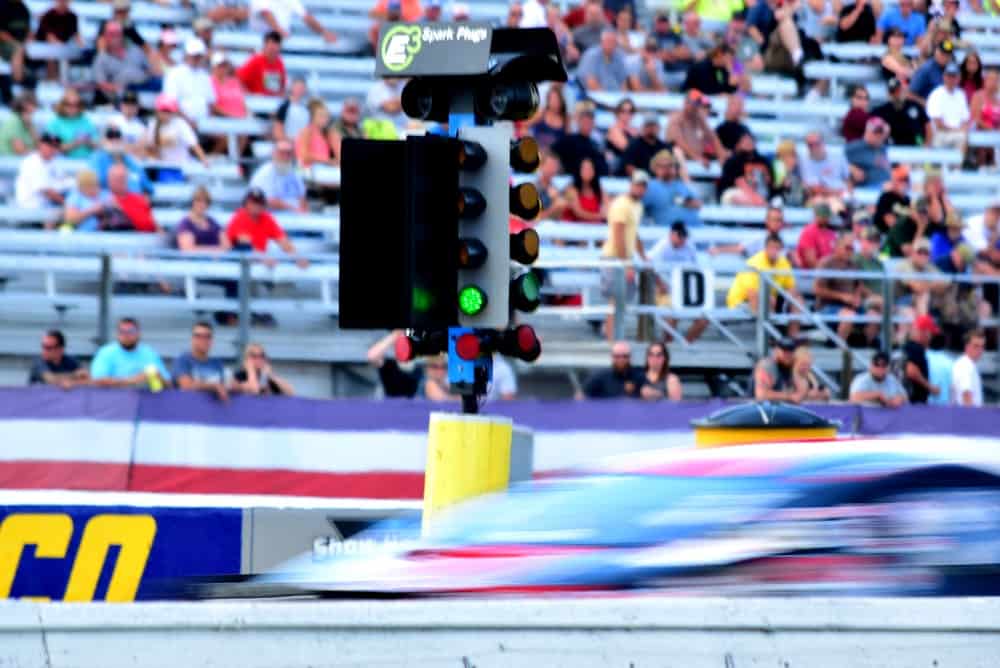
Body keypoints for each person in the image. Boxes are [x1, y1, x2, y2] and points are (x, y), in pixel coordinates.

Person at [601, 171, 649, 340]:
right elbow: (619, 235)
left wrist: (643, 256)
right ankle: (610, 339)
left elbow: (633, 233)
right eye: (638, 185)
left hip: (622, 258)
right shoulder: (621, 204)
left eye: (643, 186)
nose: (640, 189)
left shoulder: (637, 206)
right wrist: (626, 264)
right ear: (631, 185)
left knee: (620, 301)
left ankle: (612, 337)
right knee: (616, 300)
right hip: (615, 258)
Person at [647, 222, 710, 343]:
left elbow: (695, 269)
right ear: (671, 234)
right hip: (665, 291)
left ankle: (685, 344)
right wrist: (659, 283)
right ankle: (668, 346)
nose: (682, 240)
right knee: (672, 316)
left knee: (704, 319)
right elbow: (648, 265)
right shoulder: (661, 247)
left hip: (684, 292)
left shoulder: (690, 247)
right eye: (680, 236)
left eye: (684, 236)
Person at [815, 231, 881, 345]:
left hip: (850, 307)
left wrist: (858, 297)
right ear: (837, 246)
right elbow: (817, 290)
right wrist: (842, 297)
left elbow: (858, 285)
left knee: (874, 316)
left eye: (852, 249)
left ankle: (866, 348)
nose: (850, 251)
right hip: (828, 307)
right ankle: (838, 349)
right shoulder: (826, 263)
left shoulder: (852, 265)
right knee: (849, 316)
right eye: (847, 248)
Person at [226, 187, 308, 268]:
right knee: (243, 248)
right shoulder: (239, 216)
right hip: (236, 262)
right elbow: (244, 245)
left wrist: (298, 258)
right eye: (253, 202)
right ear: (246, 203)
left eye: (259, 202)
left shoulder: (266, 218)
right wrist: (263, 259)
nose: (256, 205)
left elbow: (283, 242)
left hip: (258, 262)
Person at [90, 318, 171, 389]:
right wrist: (133, 381)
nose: (126, 335)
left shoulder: (149, 353)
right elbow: (97, 381)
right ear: (117, 334)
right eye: (122, 332)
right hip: (112, 399)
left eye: (131, 331)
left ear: (138, 334)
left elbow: (167, 385)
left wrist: (157, 378)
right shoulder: (106, 352)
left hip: (145, 399)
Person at [92, 20, 159, 101]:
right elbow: (101, 84)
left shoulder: (135, 49)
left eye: (118, 33)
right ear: (104, 36)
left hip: (145, 87)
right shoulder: (101, 58)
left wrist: (153, 69)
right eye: (111, 33)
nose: (115, 36)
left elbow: (150, 70)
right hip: (123, 96)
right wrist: (119, 88)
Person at [145, 94, 209, 171]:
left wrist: (204, 160)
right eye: (163, 110)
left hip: (181, 166)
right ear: (157, 111)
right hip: (161, 166)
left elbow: (194, 144)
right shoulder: (153, 124)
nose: (165, 114)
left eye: (168, 111)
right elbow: (149, 148)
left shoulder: (180, 124)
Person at [163, 38, 216, 125]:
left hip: (203, 122)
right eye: (194, 56)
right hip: (179, 121)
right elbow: (171, 103)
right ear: (186, 55)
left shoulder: (205, 75)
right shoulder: (174, 73)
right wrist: (188, 121)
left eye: (199, 56)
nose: (196, 59)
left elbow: (210, 103)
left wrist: (208, 122)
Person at [643, 150, 701, 229]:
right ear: (655, 169)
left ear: (675, 168)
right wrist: (684, 202)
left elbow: (697, 204)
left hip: (695, 229)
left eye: (670, 165)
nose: (667, 169)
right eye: (663, 166)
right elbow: (637, 205)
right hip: (668, 233)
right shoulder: (650, 187)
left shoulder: (682, 185)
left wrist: (682, 201)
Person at [667, 90, 726, 168]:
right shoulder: (676, 119)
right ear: (686, 103)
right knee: (678, 151)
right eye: (694, 104)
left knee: (727, 155)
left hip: (699, 157)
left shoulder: (698, 118)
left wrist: (721, 154)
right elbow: (680, 143)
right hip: (681, 160)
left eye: (698, 104)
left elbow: (712, 137)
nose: (696, 107)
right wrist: (697, 158)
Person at [551, 101, 609, 178]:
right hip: (569, 179)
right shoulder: (568, 140)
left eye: (589, 122)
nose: (587, 124)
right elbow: (552, 153)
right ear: (579, 122)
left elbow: (603, 169)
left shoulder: (596, 146)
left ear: (593, 124)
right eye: (585, 121)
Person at [173, 321, 228, 401]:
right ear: (192, 339)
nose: (203, 340)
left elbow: (225, 386)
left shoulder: (217, 363)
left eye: (207, 336)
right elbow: (186, 386)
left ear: (212, 340)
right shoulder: (183, 360)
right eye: (198, 336)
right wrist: (214, 386)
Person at [249, 139, 307, 212]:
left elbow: (302, 197)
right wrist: (292, 208)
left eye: (288, 153)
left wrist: (303, 212)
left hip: (295, 216)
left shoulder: (294, 173)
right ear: (274, 153)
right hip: (272, 216)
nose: (285, 156)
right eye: (282, 153)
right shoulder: (264, 173)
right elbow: (266, 200)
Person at [15, 133, 69, 211]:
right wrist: (68, 204)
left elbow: (63, 181)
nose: (53, 149)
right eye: (50, 145)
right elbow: (46, 191)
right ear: (40, 145)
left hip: (46, 205)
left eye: (56, 146)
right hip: (30, 208)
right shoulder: (32, 162)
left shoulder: (53, 161)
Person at [871, 77, 931, 147]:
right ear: (888, 94)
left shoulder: (915, 106)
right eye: (893, 92)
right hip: (892, 148)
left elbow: (928, 126)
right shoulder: (881, 111)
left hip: (916, 146)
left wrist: (926, 145)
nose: (897, 95)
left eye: (899, 91)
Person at [718, 131, 771, 206]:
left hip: (759, 193)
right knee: (737, 197)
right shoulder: (734, 161)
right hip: (734, 191)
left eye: (750, 139)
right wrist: (759, 201)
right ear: (738, 144)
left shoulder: (763, 160)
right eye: (744, 140)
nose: (748, 142)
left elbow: (769, 182)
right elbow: (740, 183)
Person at [927, 62, 971, 151]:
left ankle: (959, 164)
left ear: (959, 78)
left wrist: (961, 130)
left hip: (958, 133)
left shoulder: (961, 94)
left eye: (954, 76)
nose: (951, 79)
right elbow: (938, 123)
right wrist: (958, 130)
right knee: (962, 137)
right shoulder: (936, 94)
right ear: (944, 77)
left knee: (963, 136)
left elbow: (965, 119)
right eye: (949, 76)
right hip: (940, 134)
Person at [249, 0, 337, 43]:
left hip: (278, 40)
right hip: (261, 40)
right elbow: (265, 13)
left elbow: (306, 17)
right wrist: (280, 31)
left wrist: (324, 32)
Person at [800, 131, 852, 203]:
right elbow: (814, 188)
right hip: (818, 197)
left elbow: (848, 179)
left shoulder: (838, 156)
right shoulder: (803, 161)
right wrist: (836, 192)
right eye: (810, 145)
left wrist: (847, 192)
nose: (814, 147)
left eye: (817, 144)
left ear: (823, 143)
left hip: (840, 195)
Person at [580, 341, 645, 399]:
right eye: (617, 356)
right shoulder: (600, 377)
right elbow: (581, 396)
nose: (621, 360)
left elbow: (650, 393)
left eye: (625, 356)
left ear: (630, 357)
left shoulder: (639, 376)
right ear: (612, 357)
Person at [902, 313, 942, 404]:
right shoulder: (916, 349)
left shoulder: (907, 347)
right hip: (914, 402)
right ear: (925, 332)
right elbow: (911, 370)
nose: (931, 337)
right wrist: (930, 387)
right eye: (930, 334)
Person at [176, 186, 230, 252]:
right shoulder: (186, 223)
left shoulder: (212, 222)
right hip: (194, 261)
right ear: (193, 202)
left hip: (216, 261)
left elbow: (227, 245)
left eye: (206, 202)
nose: (202, 204)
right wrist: (215, 250)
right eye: (199, 200)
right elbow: (188, 249)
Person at [45, 89, 97, 158]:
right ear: (62, 105)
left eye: (76, 104)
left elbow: (97, 143)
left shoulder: (85, 121)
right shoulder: (55, 123)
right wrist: (74, 143)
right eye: (69, 104)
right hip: (63, 163)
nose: (73, 108)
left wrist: (88, 142)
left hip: (87, 161)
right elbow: (50, 147)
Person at [107, 163, 157, 232]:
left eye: (123, 178)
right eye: (117, 179)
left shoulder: (139, 199)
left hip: (147, 238)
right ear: (109, 180)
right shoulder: (105, 200)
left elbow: (154, 224)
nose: (121, 181)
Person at [846, 116, 891, 188]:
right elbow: (838, 162)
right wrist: (851, 168)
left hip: (884, 186)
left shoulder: (882, 148)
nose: (878, 135)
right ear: (867, 132)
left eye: (881, 132)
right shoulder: (854, 147)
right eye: (875, 132)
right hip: (866, 188)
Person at [237, 31, 286, 97]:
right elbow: (238, 80)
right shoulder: (255, 61)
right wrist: (249, 95)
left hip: (272, 101)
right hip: (256, 101)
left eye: (276, 45)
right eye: (271, 46)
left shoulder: (279, 63)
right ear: (265, 45)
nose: (273, 49)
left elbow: (281, 87)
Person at [753, 337, 803, 403]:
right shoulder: (768, 365)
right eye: (784, 350)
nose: (788, 354)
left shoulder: (792, 366)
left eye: (791, 351)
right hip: (757, 409)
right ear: (776, 350)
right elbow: (761, 394)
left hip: (777, 408)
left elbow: (800, 392)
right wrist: (789, 396)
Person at [562, 157, 607, 223]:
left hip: (592, 228)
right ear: (579, 170)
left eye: (590, 168)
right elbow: (579, 213)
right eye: (584, 169)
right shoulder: (571, 189)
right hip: (572, 228)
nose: (587, 171)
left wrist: (606, 211)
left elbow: (608, 205)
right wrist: (600, 216)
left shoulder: (599, 189)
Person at [296, 98, 335, 167]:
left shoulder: (329, 133)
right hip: (309, 169)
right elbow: (303, 155)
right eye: (321, 116)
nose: (325, 119)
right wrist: (327, 160)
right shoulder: (306, 132)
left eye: (327, 116)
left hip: (324, 169)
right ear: (313, 116)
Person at [528, 85, 568, 152]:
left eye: (557, 99)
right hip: (539, 152)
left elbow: (567, 141)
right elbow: (525, 125)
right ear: (548, 100)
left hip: (555, 155)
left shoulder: (565, 119)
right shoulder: (541, 114)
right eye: (552, 99)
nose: (555, 102)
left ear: (561, 101)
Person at [951, 328, 985, 406]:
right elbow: (966, 396)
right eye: (976, 346)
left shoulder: (969, 365)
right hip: (968, 416)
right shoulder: (965, 366)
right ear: (967, 346)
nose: (980, 350)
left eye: (982, 346)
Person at [272, 77, 309, 143]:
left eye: (302, 87)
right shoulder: (284, 107)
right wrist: (289, 141)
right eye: (297, 87)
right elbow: (277, 130)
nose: (299, 90)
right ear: (292, 87)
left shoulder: (306, 108)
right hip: (288, 143)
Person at [0, 91, 37, 156]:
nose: (35, 108)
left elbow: (38, 145)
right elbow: (19, 150)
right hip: (9, 162)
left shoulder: (29, 122)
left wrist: (30, 126)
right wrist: (37, 155)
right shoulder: (13, 121)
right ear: (24, 104)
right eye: (33, 104)